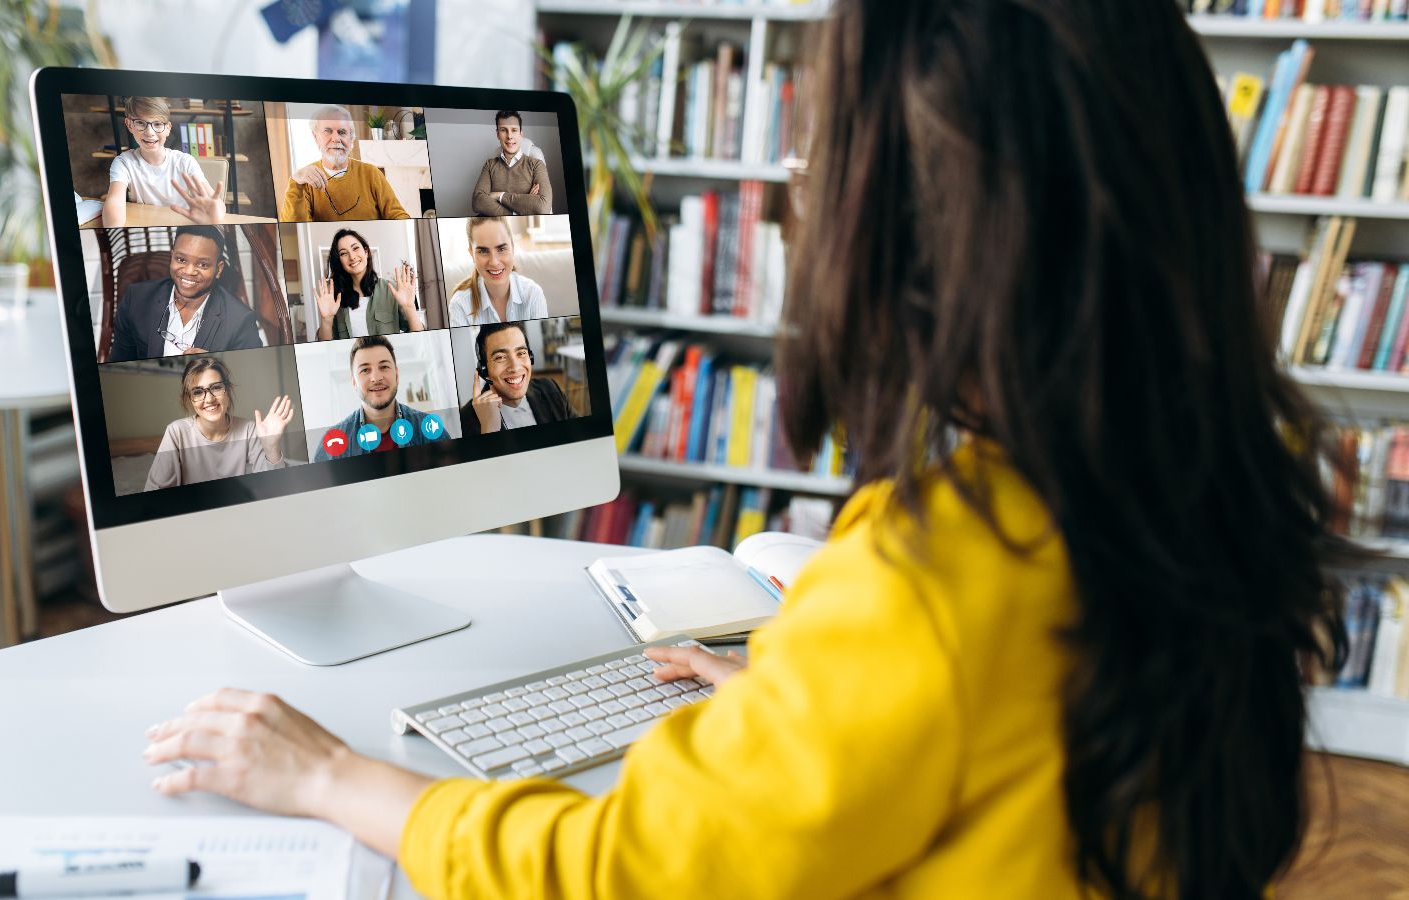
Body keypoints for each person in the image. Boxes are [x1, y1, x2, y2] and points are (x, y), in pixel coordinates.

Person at [143, 2, 1352, 897]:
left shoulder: (938, 574)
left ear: (926, 230)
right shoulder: (1180, 493)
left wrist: (337, 782)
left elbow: (629, 872)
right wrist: (810, 711)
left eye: (820, 158)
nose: (801, 192)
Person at [106, 226, 263, 363]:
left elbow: (252, 377)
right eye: (181, 259)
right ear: (172, 257)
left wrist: (216, 366)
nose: (188, 271)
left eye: (202, 264)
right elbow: (119, 363)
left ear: (219, 269)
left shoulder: (241, 321)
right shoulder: (136, 299)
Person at [142, 357, 293, 491]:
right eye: (198, 392)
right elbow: (154, 492)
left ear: (227, 390)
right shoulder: (176, 432)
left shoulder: (248, 429)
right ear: (189, 399)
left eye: (216, 387)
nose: (209, 399)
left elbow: (274, 486)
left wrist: (271, 447)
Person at [100, 95, 225, 227]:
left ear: (168, 128)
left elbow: (215, 204)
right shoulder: (123, 162)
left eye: (158, 124)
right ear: (129, 124)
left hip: (180, 230)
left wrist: (216, 212)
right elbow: (114, 202)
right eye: (140, 123)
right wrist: (114, 229)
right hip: (145, 231)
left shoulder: (185, 161)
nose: (150, 132)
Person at [310, 336, 438, 461]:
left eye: (384, 367)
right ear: (354, 382)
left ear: (397, 376)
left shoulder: (430, 429)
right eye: (365, 370)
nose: (376, 378)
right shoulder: (332, 445)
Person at [281, 105, 409, 222]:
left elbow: (398, 215)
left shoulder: (372, 173)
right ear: (316, 137)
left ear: (351, 138)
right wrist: (295, 181)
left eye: (342, 132)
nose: (336, 139)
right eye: (327, 131)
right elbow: (294, 228)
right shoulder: (305, 181)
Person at [458, 322, 570, 436]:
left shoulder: (550, 388)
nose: (515, 367)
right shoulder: (465, 419)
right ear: (484, 369)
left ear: (530, 357)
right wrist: (489, 428)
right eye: (500, 357)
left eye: (521, 353)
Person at [312, 228, 424, 339]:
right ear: (339, 261)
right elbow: (326, 347)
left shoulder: (391, 290)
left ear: (366, 252)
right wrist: (326, 319)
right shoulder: (335, 299)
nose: (352, 257)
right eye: (343, 253)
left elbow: (420, 339)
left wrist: (409, 307)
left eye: (355, 248)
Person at [446, 217, 548, 327]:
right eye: (483, 251)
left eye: (501, 249)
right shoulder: (460, 304)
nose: (494, 262)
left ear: (513, 247)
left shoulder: (533, 295)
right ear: (471, 253)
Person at [471, 110, 553, 217]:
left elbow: (542, 207)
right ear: (498, 135)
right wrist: (522, 208)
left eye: (514, 130)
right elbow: (477, 202)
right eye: (504, 130)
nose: (509, 136)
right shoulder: (489, 165)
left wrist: (499, 196)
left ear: (521, 135)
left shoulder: (536, 165)